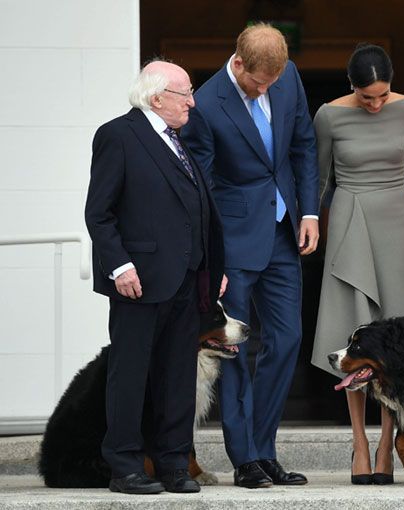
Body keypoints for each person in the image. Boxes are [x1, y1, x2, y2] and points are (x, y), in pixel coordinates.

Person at [310, 44, 404, 485]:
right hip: (349, 224)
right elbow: (320, 181)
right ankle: (359, 442)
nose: (375, 105)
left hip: (396, 228)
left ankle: (387, 443)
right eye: (366, 97)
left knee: (395, 338)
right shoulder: (329, 115)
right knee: (352, 334)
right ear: (351, 87)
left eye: (382, 95)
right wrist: (309, 227)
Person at [180, 23, 318, 489]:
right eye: (259, 82)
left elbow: (302, 145)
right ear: (238, 63)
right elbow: (203, 182)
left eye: (272, 83)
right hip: (234, 240)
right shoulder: (206, 101)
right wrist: (210, 253)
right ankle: (245, 460)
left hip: (283, 230)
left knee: (288, 338)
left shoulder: (288, 77)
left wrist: (311, 212)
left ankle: (265, 449)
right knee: (234, 346)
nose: (265, 91)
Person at [84, 60, 226, 495]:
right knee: (130, 374)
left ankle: (173, 463)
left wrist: (210, 267)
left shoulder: (176, 140)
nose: (192, 102)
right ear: (157, 96)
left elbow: (193, 211)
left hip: (186, 281)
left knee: (177, 375)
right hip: (138, 281)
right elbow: (99, 212)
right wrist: (120, 265)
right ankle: (125, 466)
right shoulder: (119, 135)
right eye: (185, 93)